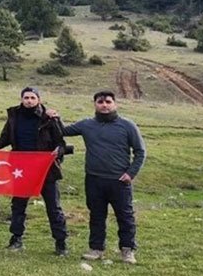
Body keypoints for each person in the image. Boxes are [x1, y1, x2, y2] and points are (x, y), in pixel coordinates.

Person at [0, 86, 70, 255]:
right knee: (18, 205)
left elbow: (61, 143)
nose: (29, 101)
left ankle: (61, 242)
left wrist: (58, 151)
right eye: (26, 98)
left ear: (38, 99)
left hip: (45, 169)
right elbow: (4, 138)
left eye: (32, 98)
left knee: (53, 206)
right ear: (21, 99)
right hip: (20, 168)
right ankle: (16, 239)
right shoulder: (14, 117)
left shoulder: (49, 118)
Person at [61, 90, 146, 264]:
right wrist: (53, 116)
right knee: (97, 215)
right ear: (95, 104)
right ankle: (96, 249)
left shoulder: (128, 126)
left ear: (115, 104)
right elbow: (62, 131)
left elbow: (140, 152)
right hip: (94, 179)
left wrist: (130, 174)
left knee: (125, 216)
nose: (104, 105)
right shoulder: (86, 125)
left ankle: (127, 250)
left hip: (119, 181)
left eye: (108, 101)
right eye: (100, 102)